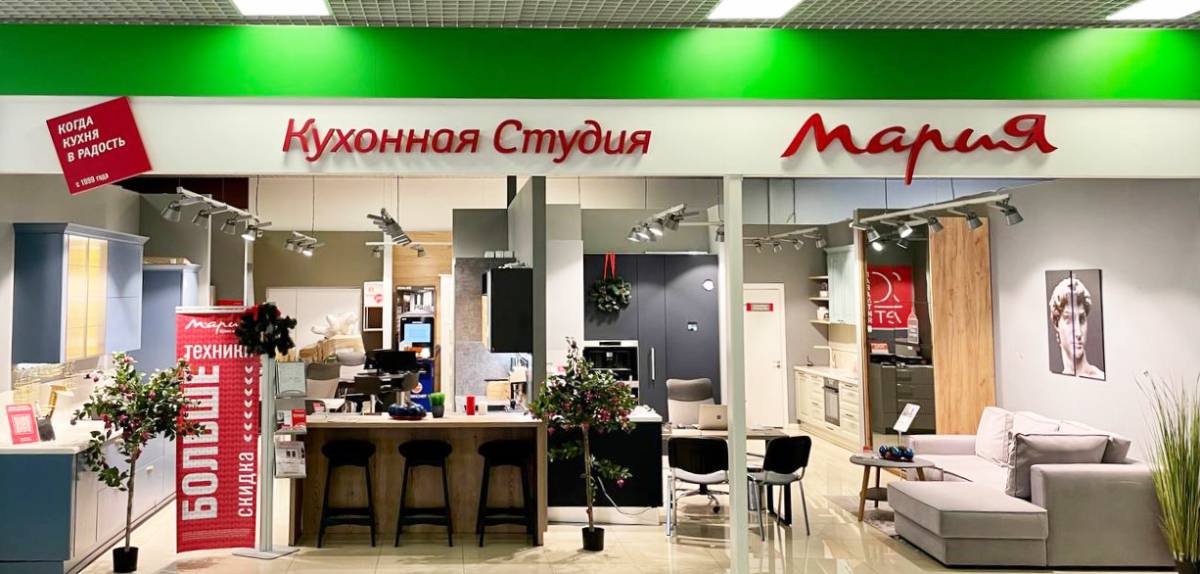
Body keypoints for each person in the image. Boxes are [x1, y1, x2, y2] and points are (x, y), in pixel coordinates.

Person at [1048, 277, 1104, 378]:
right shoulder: (1055, 379)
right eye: (1069, 320)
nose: (1078, 333)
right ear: (1056, 324)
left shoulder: (1099, 376)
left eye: (1081, 320)